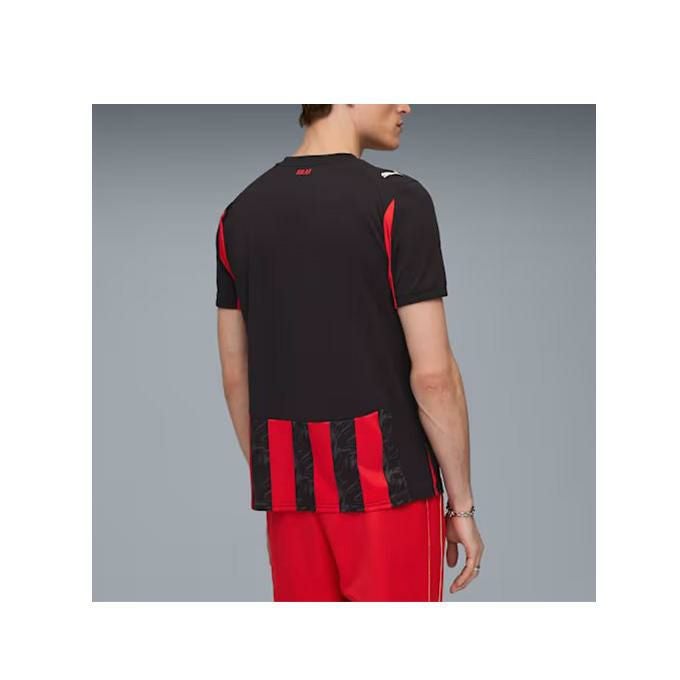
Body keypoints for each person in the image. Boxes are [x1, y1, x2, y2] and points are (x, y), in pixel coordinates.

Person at [215, 104, 484, 601]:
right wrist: (462, 505)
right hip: (388, 489)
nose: (405, 105)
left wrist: (280, 480)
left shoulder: (239, 214)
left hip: (290, 491)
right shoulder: (397, 201)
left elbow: (236, 376)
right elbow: (433, 376)